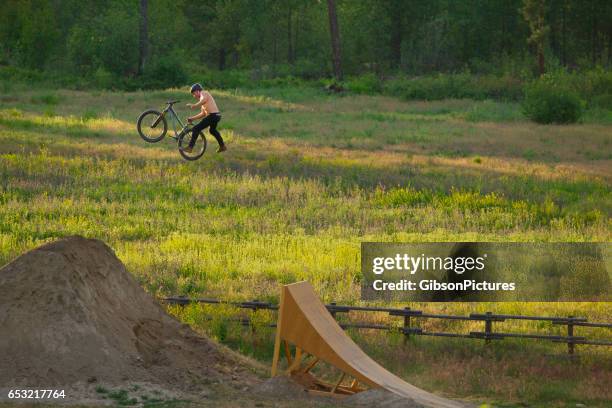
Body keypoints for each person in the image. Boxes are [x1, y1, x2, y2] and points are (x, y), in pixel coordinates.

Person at [184, 83, 226, 153]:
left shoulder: (204, 93)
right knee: (212, 130)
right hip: (216, 116)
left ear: (197, 91)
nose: (194, 96)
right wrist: (192, 118)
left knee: (196, 128)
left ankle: (190, 147)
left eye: (194, 94)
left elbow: (204, 99)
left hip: (213, 116)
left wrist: (194, 105)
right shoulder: (202, 101)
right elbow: (203, 114)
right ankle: (222, 146)